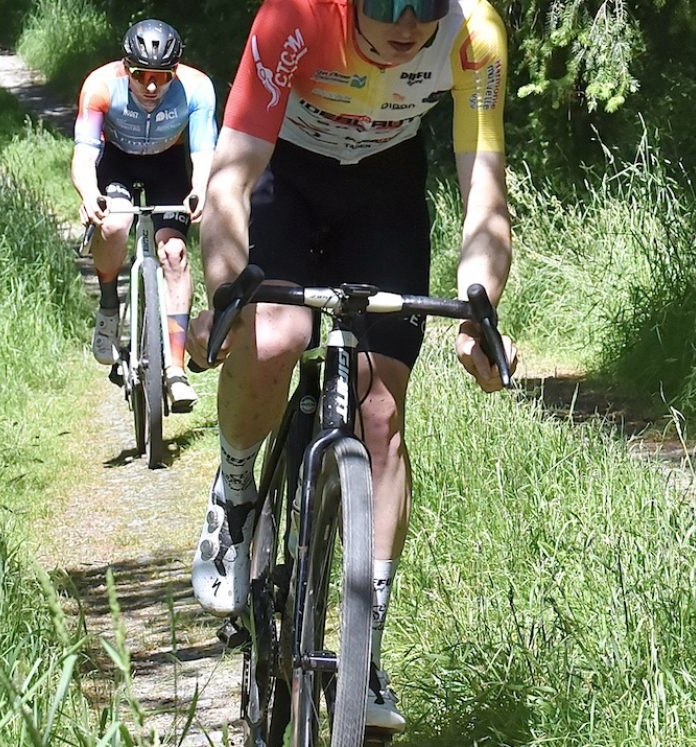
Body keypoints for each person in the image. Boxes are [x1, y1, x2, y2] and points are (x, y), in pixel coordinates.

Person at [185, 0, 519, 734]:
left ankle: (365, 650)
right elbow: (231, 179)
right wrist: (225, 294)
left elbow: (485, 196)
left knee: (380, 410)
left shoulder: (474, 34)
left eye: (426, 3)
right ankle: (235, 495)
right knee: (275, 335)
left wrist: (479, 309)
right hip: (284, 172)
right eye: (388, 2)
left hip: (383, 190)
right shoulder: (295, 17)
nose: (408, 23)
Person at [72, 19, 218, 413]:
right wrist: (89, 194)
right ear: (126, 68)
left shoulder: (197, 88)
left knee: (174, 254)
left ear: (176, 71)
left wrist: (200, 188)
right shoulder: (101, 85)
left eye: (162, 77)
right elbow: (85, 153)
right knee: (115, 223)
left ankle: (175, 369)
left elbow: (203, 151)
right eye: (141, 75)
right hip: (116, 163)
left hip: (167, 166)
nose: (151, 87)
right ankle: (108, 307)